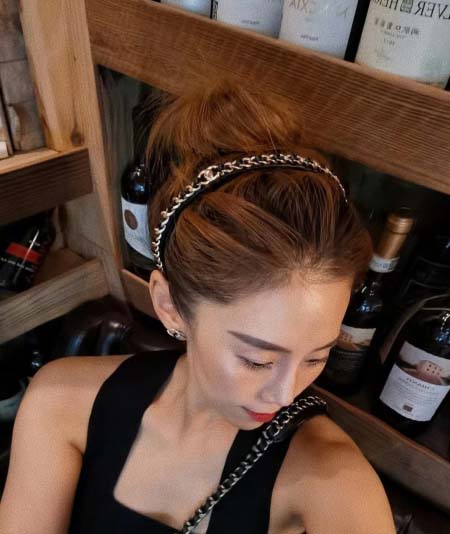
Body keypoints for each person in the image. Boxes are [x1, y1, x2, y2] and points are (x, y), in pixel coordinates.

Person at [0, 78, 396, 533]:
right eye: (257, 360)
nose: (286, 394)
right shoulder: (60, 402)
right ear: (169, 306)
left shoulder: (333, 481)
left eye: (316, 357)